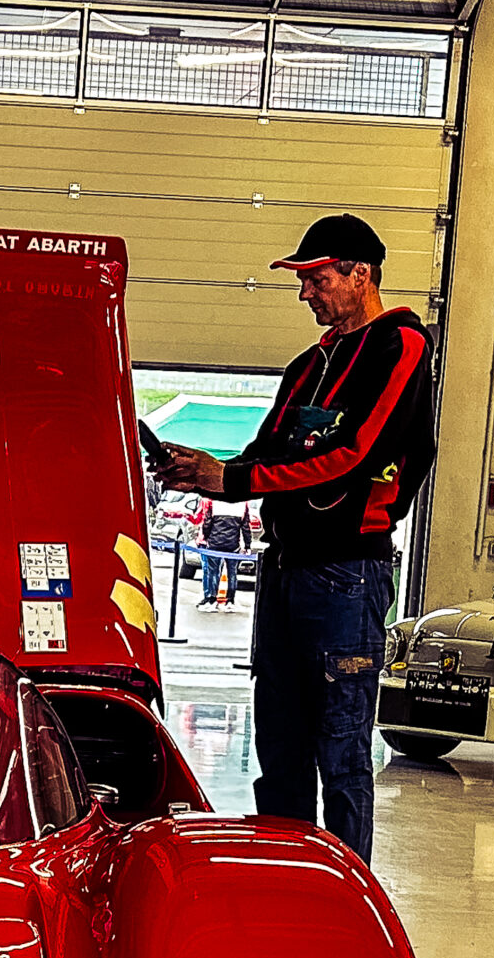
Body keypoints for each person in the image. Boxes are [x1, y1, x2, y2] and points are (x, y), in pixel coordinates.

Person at [163, 214, 435, 864]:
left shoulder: (400, 345)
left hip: (347, 576)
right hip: (284, 571)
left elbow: (356, 454)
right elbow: (266, 454)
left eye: (316, 278)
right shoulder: (307, 366)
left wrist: (233, 478)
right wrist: (201, 472)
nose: (305, 292)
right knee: (279, 745)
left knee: (341, 751)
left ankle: (347, 891)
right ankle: (288, 880)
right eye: (303, 280)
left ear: (360, 274)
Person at [198, 501, 248, 607]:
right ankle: (230, 600)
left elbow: (207, 523)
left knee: (213, 572)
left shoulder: (215, 501)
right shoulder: (242, 504)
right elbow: (245, 527)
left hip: (215, 543)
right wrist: (247, 545)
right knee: (232, 573)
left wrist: (206, 537)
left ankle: (212, 599)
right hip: (233, 545)